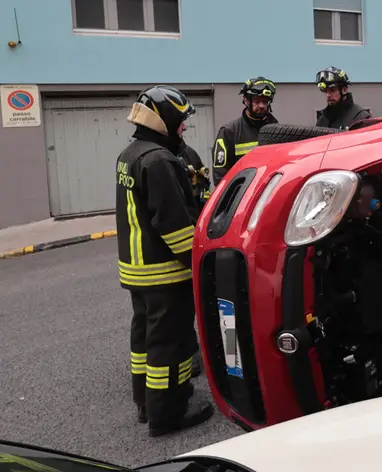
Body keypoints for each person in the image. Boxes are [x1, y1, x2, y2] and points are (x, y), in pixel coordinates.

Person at [116, 84, 214, 437]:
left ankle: (145, 403)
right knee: (169, 346)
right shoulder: (160, 160)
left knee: (143, 340)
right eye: (181, 120)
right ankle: (169, 414)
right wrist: (199, 265)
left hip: (138, 271)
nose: (185, 127)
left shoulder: (131, 153)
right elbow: (174, 226)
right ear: (165, 120)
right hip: (164, 273)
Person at [212, 77, 278, 186]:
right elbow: (220, 176)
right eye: (257, 101)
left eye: (265, 101)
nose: (261, 106)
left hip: (268, 191)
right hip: (242, 194)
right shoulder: (229, 132)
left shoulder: (276, 129)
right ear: (246, 101)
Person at [177, 139, 211, 214]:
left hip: (195, 208)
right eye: (179, 127)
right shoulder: (164, 156)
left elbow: (203, 175)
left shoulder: (189, 152)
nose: (184, 127)